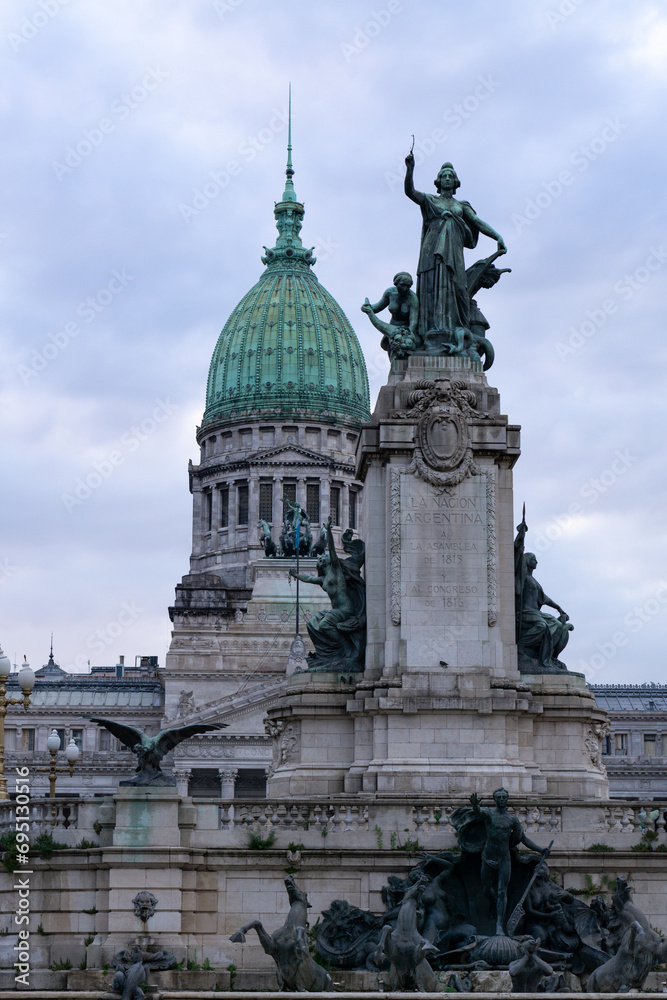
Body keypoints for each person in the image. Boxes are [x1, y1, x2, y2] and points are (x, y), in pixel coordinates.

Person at [404, 154, 506, 351]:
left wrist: (497, 236)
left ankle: (454, 330)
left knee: (457, 287)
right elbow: (410, 192)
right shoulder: (430, 200)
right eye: (444, 176)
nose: (448, 178)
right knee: (432, 289)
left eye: (451, 176)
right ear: (439, 181)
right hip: (432, 251)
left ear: (456, 182)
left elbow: (478, 223)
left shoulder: (461, 206)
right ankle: (432, 333)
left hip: (454, 253)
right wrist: (410, 169)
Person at [469, 788, 548, 936]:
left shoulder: (512, 820)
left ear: (507, 799)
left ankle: (499, 925)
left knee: (501, 891)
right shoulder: (490, 814)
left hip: (504, 858)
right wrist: (475, 806)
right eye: (498, 797)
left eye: (504, 797)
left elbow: (523, 839)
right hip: (488, 857)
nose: (501, 799)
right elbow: (479, 812)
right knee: (487, 889)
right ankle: (493, 904)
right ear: (495, 799)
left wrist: (540, 850)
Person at [289, 519, 365, 671]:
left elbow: (331, 549)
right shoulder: (323, 579)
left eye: (323, 557)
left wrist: (329, 531)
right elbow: (309, 578)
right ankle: (329, 654)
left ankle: (346, 649)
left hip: (345, 609)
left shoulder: (336, 570)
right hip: (336, 611)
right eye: (320, 559)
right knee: (312, 623)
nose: (321, 557)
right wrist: (296, 575)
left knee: (324, 624)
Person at [361, 272, 420, 358]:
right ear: (396, 284)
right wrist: (368, 308)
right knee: (392, 352)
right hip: (392, 326)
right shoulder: (390, 293)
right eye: (402, 285)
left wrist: (408, 335)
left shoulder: (413, 299)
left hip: (406, 329)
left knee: (400, 353)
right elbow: (378, 307)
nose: (405, 288)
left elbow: (413, 321)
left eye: (408, 286)